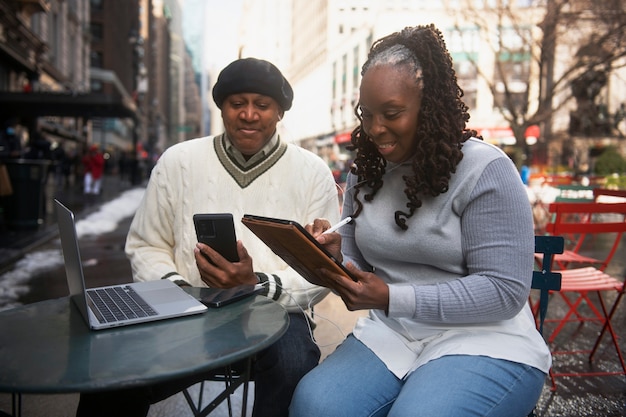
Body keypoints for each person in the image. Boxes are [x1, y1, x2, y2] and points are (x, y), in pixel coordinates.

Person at [290, 24, 551, 417]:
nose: (375, 129)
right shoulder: (367, 171)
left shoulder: (486, 169)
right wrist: (334, 259)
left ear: (428, 105)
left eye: (391, 113)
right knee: (314, 405)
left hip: (484, 337)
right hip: (395, 332)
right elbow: (362, 264)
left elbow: (503, 291)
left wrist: (393, 298)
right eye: (368, 114)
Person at [76, 58, 340, 417]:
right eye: (237, 103)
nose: (248, 114)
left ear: (279, 111)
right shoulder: (177, 161)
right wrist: (178, 291)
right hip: (184, 309)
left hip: (279, 312)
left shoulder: (314, 173)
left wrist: (256, 284)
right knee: (111, 371)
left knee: (293, 365)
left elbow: (322, 271)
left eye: (261, 105)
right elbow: (146, 244)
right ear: (221, 107)